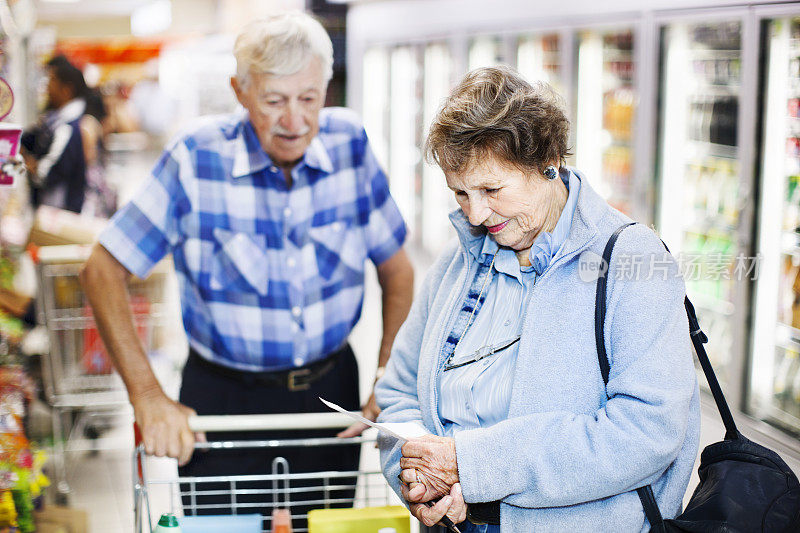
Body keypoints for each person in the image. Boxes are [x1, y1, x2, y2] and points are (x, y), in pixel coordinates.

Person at [79, 10, 413, 520]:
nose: (295, 121)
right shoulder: (196, 158)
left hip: (330, 396)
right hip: (222, 400)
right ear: (240, 91)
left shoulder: (349, 145)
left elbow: (397, 269)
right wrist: (148, 396)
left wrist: (389, 373)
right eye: (274, 101)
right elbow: (102, 269)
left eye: (309, 98)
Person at [375, 66, 700, 532]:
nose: (476, 213)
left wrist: (470, 465)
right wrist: (418, 478)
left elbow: (646, 432)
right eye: (460, 193)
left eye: (491, 189)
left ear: (547, 162)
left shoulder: (630, 260)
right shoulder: (459, 260)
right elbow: (398, 391)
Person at [22, 56, 91, 213]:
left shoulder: (68, 127)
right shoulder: (54, 121)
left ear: (66, 90)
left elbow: (48, 175)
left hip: (59, 214)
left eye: (51, 81)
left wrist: (25, 160)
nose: (47, 88)